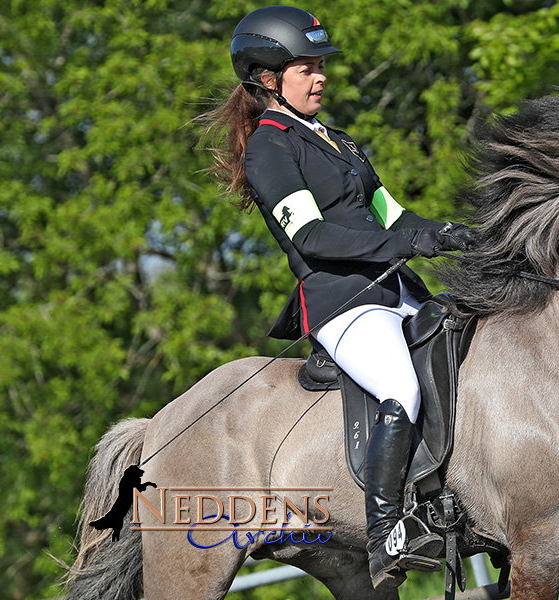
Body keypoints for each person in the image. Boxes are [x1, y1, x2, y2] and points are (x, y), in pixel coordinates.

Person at [204, 5, 476, 591]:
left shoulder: (339, 141)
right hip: (343, 303)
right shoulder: (270, 149)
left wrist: (456, 235)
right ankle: (386, 534)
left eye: (319, 65)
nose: (321, 76)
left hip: (397, 290)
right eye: (306, 68)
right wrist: (405, 241)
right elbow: (310, 236)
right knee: (399, 387)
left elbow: (392, 215)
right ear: (267, 78)